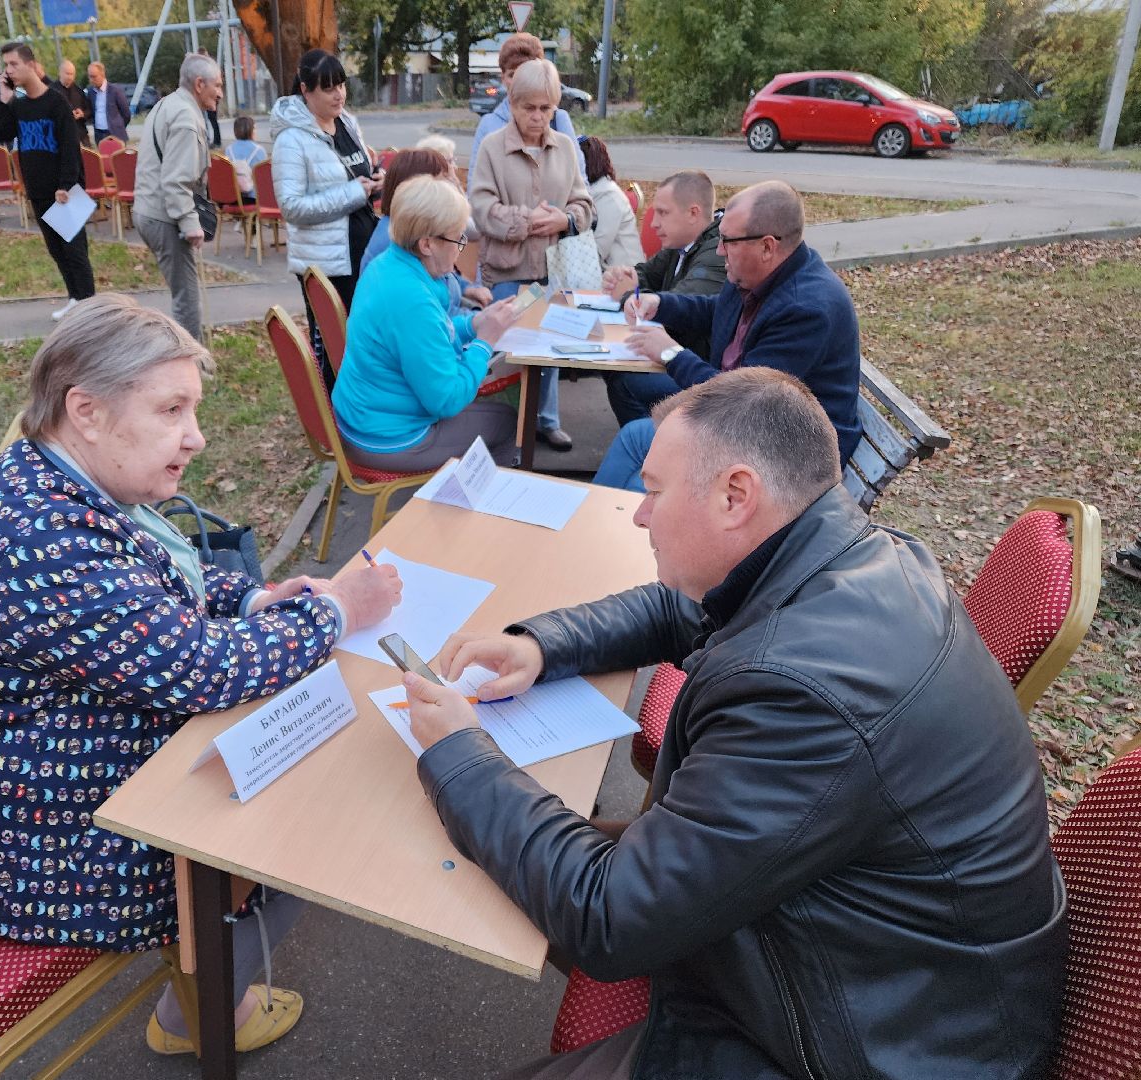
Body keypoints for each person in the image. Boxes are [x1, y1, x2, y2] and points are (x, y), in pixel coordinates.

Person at [403, 367, 1067, 1080]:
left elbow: (609, 915)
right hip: (872, 956)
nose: (640, 514)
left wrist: (462, 754)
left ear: (735, 495)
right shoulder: (844, 558)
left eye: (654, 492)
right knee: (487, 854)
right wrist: (540, 644)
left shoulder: (805, 694)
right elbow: (676, 612)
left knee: (507, 853)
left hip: (874, 1043)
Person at [0, 293, 403, 1058]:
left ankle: (206, 983)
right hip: (24, 849)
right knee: (304, 813)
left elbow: (159, 583)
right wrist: (335, 614)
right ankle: (199, 1011)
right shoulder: (43, 538)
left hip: (6, 803)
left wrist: (259, 596)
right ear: (88, 411)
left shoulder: (51, 481)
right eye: (172, 410)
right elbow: (201, 668)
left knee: (293, 748)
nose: (195, 438)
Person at [595, 181, 861, 491]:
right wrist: (661, 304)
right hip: (749, 419)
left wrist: (671, 353)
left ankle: (651, 501)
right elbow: (714, 309)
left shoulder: (807, 309)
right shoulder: (760, 273)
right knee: (630, 390)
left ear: (767, 246)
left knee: (638, 441)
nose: (719, 249)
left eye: (728, 240)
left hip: (786, 454)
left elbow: (742, 403)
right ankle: (651, 491)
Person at [332, 175, 522, 471]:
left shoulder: (389, 264)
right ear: (427, 244)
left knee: (488, 410)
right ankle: (479, 512)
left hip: (365, 417)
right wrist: (484, 342)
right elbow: (446, 400)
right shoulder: (412, 300)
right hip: (391, 438)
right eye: (458, 238)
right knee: (512, 423)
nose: (461, 246)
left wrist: (474, 325)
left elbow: (433, 333)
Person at [470, 58, 593, 452]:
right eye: (529, 108)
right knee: (508, 353)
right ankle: (503, 430)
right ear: (512, 102)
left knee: (551, 345)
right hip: (508, 271)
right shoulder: (491, 147)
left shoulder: (567, 148)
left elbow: (585, 205)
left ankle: (545, 421)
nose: (538, 117)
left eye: (547, 108)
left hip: (556, 270)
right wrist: (527, 221)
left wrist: (565, 218)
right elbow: (481, 209)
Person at [270, 48, 383, 375]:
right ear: (305, 90)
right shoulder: (291, 140)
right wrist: (352, 193)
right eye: (329, 88)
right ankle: (333, 416)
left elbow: (358, 171)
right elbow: (291, 207)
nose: (339, 95)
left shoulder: (347, 123)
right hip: (328, 264)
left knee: (366, 341)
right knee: (335, 349)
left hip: (365, 250)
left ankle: (362, 409)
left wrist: (377, 180)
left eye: (342, 85)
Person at [599, 169, 726, 426]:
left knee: (626, 382)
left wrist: (628, 294)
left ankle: (656, 451)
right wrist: (626, 278)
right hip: (683, 358)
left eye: (663, 213)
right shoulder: (680, 245)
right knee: (616, 371)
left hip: (702, 372)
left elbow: (680, 307)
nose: (654, 223)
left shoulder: (716, 254)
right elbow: (644, 275)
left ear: (693, 213)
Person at [0, 41, 96, 322]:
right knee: (56, 249)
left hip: (63, 190)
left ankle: (88, 305)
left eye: (13, 64)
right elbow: (0, 131)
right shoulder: (20, 106)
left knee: (74, 250)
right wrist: (4, 99)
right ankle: (76, 299)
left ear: (30, 65)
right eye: (6, 66)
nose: (9, 70)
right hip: (37, 190)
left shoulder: (56, 102)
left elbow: (70, 148)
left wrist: (66, 185)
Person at [134, 53, 222, 341]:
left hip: (150, 210)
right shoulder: (185, 117)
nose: (220, 93)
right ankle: (192, 367)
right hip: (165, 217)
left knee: (183, 293)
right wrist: (189, 223)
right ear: (199, 84)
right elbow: (175, 180)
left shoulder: (167, 104)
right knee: (187, 298)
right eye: (217, 85)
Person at [357, 148, 491, 314]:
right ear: (420, 191)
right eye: (444, 181)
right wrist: (478, 324)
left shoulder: (410, 227)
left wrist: (466, 289)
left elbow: (443, 285)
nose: (452, 187)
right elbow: (434, 321)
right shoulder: (397, 241)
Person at [466, 32, 582, 193]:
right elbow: (475, 190)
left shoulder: (558, 120)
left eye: (525, 72)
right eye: (512, 74)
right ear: (503, 77)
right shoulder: (489, 124)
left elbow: (580, 182)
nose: (518, 81)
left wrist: (568, 217)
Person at [580, 135, 642, 270]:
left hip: (624, 275)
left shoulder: (609, 196)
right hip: (603, 271)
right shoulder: (595, 191)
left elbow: (597, 252)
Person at [225, 115, 266, 202]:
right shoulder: (259, 150)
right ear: (250, 130)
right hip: (254, 197)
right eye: (254, 128)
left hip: (234, 197)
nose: (255, 131)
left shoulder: (229, 149)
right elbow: (264, 179)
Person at [87, 62, 131, 145]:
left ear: (102, 74)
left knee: (118, 158)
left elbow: (126, 114)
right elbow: (91, 111)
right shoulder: (91, 92)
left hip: (115, 134)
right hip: (99, 135)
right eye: (89, 76)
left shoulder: (115, 91)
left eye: (94, 76)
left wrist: (118, 126)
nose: (91, 80)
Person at [57, 60, 93, 147]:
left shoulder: (79, 91)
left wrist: (82, 114)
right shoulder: (52, 91)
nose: (70, 77)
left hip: (81, 133)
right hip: (61, 135)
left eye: (72, 74)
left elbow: (89, 110)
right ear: (60, 73)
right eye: (67, 73)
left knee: (89, 158)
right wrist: (66, 114)